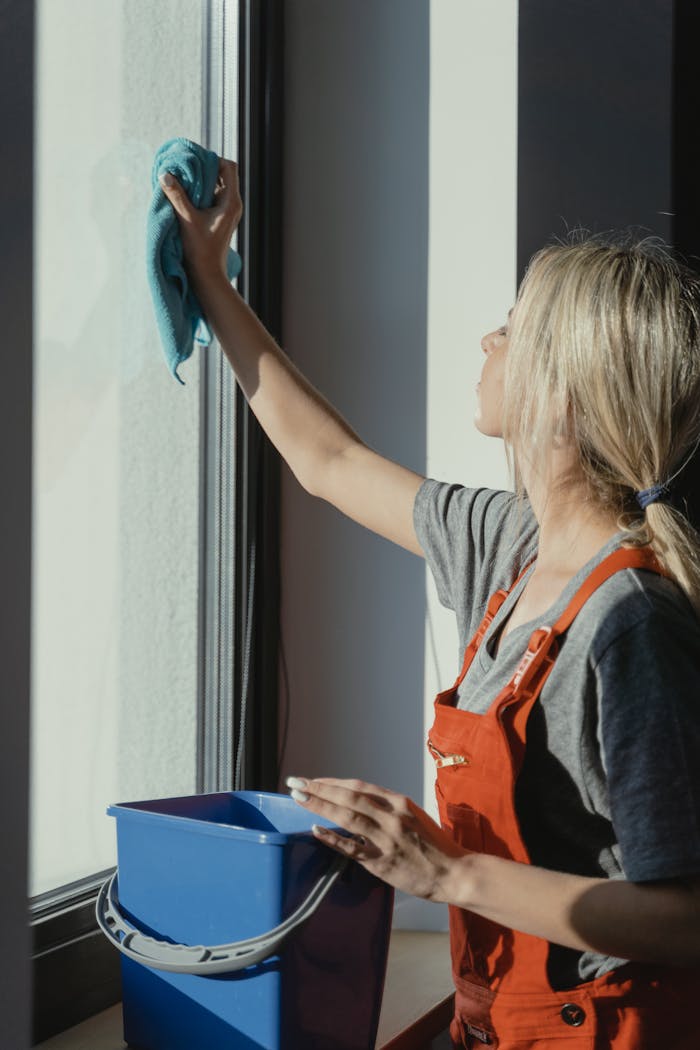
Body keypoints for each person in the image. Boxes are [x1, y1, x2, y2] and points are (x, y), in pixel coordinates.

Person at [159, 160, 700, 1048]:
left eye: (509, 329)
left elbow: (684, 919)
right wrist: (210, 277)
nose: (487, 343)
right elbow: (327, 462)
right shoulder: (510, 544)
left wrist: (447, 873)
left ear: (562, 394)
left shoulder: (631, 622)